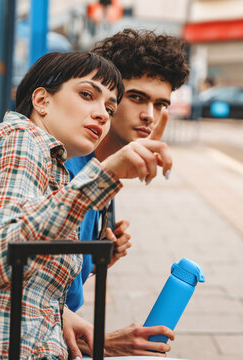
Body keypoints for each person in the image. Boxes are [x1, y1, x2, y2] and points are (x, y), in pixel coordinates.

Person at [0, 51, 172, 360]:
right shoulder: (20, 140)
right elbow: (2, 257)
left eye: (109, 108)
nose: (102, 114)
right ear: (42, 100)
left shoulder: (54, 168)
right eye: (88, 95)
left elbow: (30, 289)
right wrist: (105, 175)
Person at [63, 29, 189, 358]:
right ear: (110, 97)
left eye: (161, 104)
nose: (150, 113)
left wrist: (96, 258)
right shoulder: (66, 163)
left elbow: (57, 278)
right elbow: (11, 274)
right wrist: (102, 342)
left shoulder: (103, 169)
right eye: (137, 98)